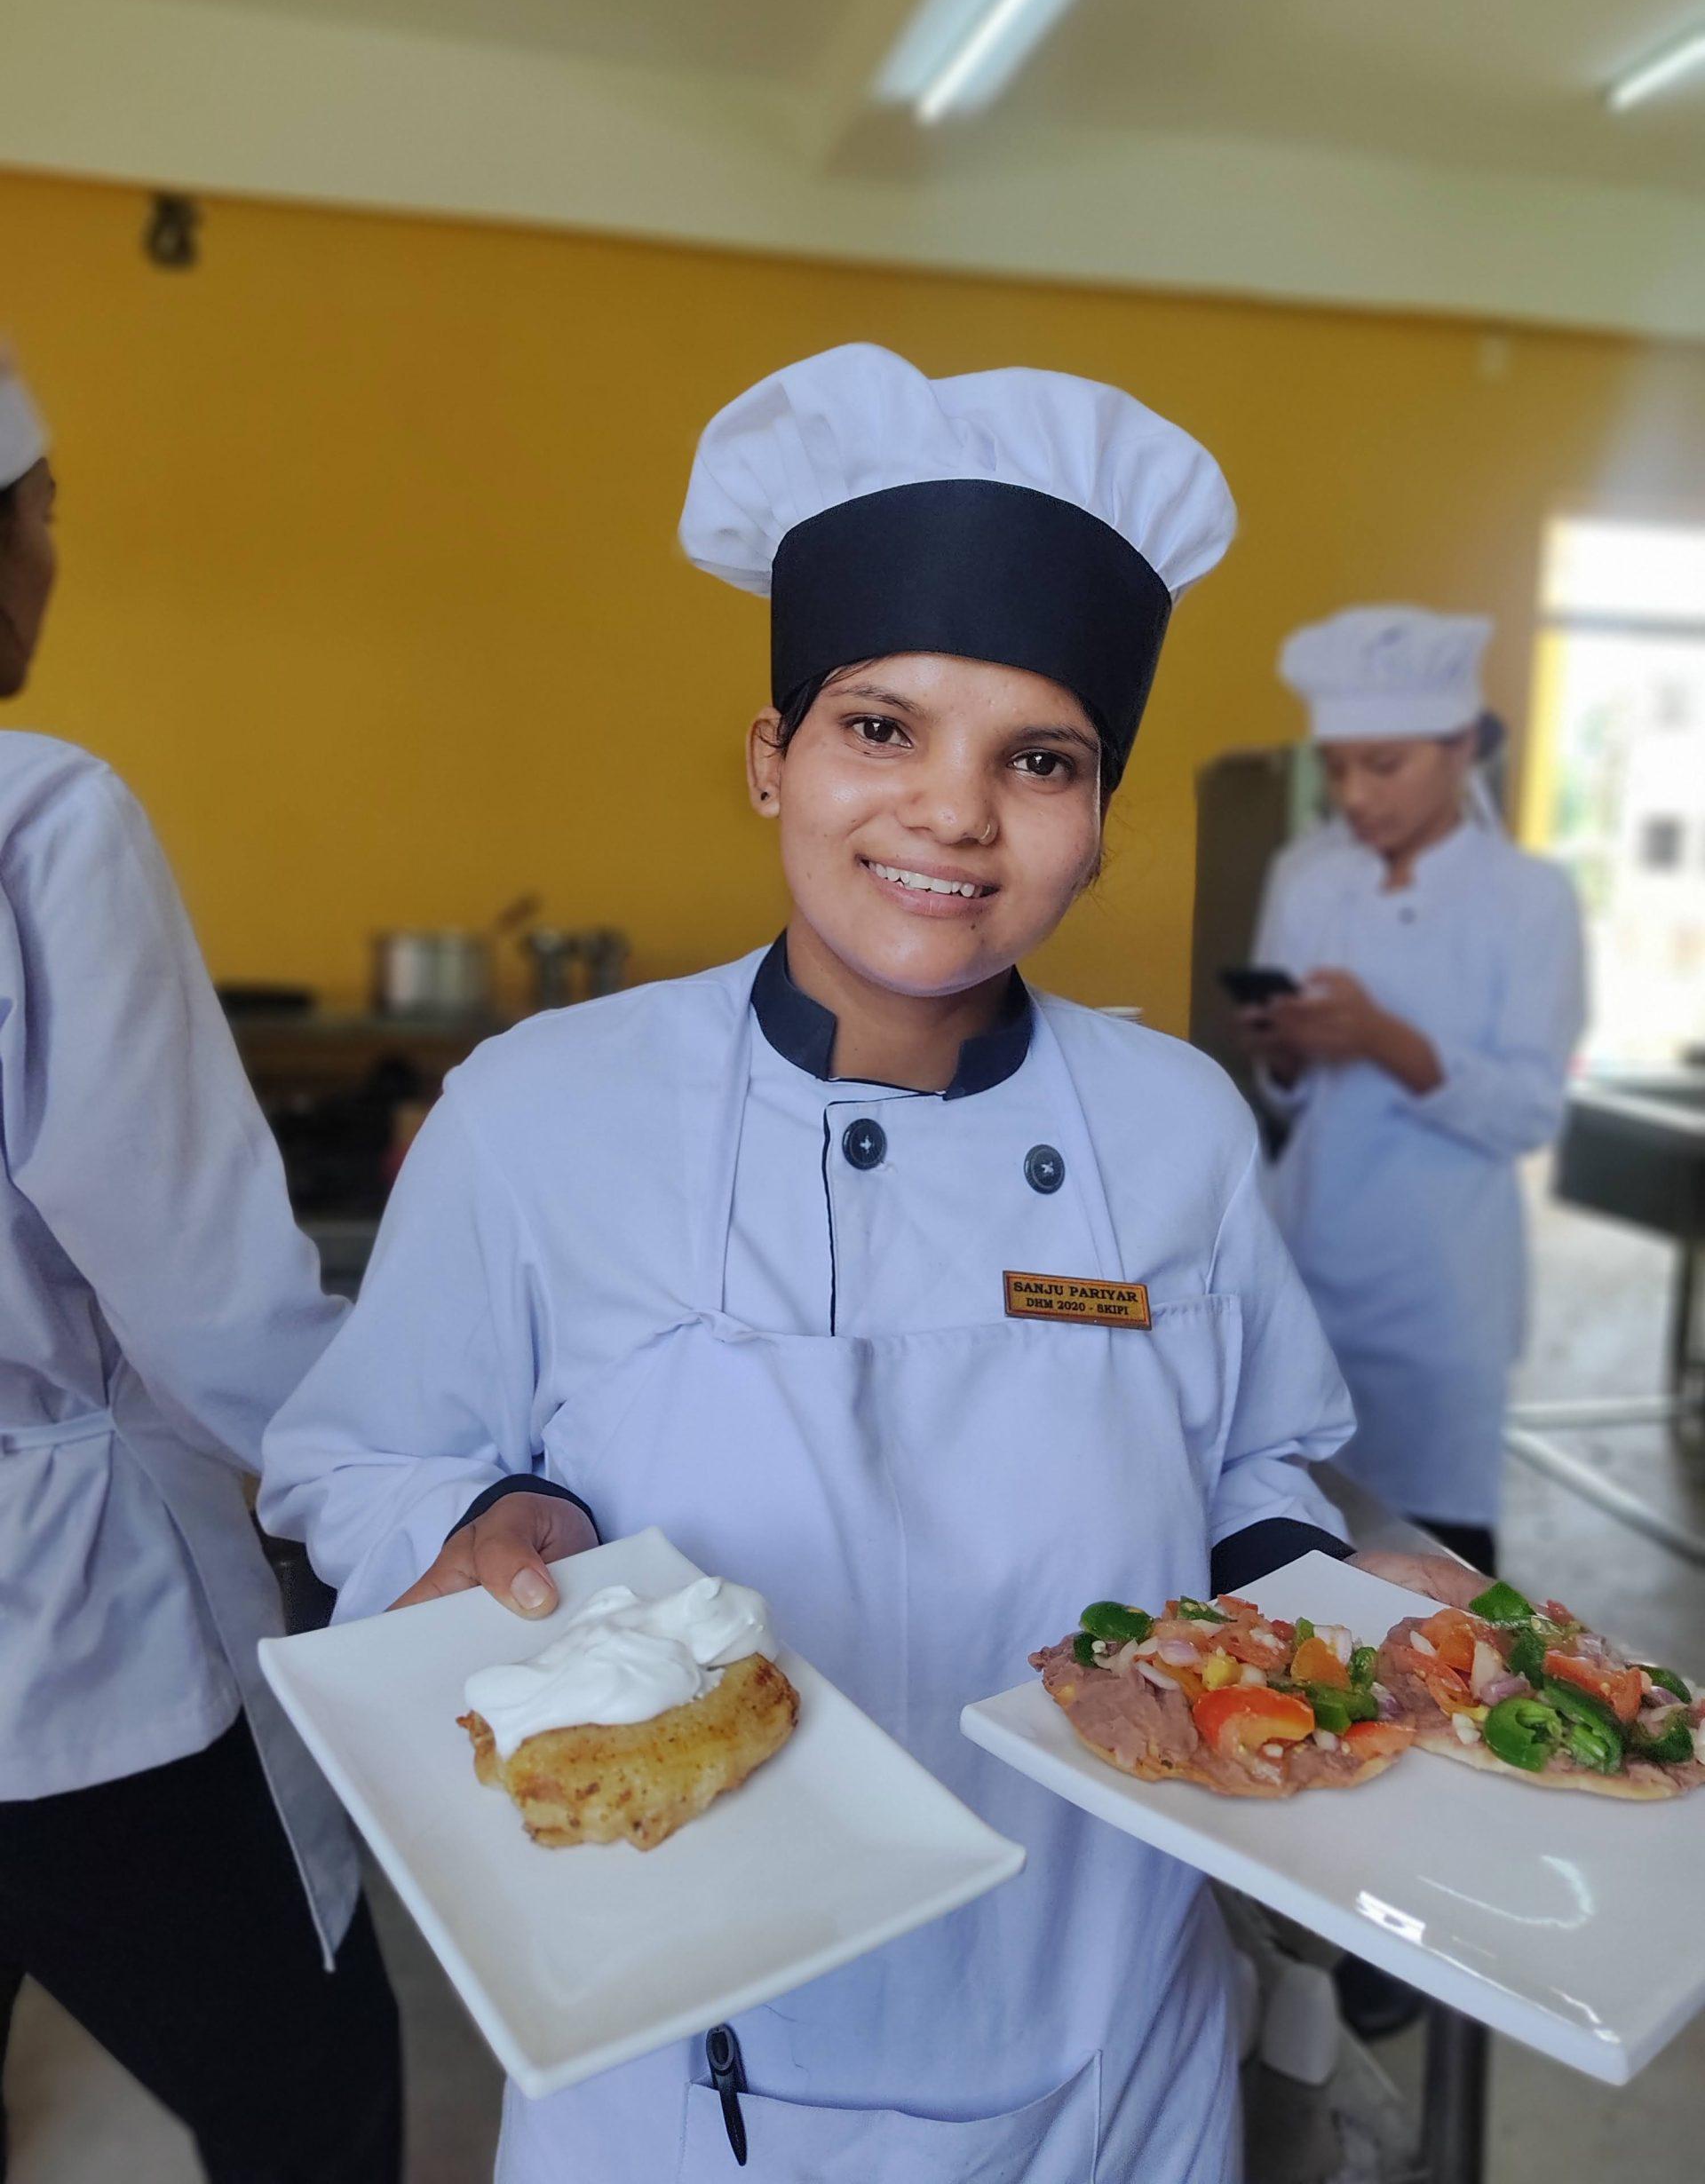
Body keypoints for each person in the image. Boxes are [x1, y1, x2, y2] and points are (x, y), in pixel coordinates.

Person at [261, 344, 1472, 2184]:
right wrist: (491, 1517)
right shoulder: (544, 1108)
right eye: (879, 726)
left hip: (1111, 2037)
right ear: (773, 758)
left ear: (1098, 809)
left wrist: (1334, 1599)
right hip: (678, 2058)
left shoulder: (1176, 1124)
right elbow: (356, 1458)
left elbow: (1249, 1470)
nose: (954, 811)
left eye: (1040, 757)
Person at [0, 355, 402, 2182]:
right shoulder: (40, 814)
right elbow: (203, 1290)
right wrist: (433, 1484)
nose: (57, 551)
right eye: (48, 505)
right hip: (70, 1640)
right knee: (311, 2085)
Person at [1242, 606, 1586, 1576]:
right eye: (1339, 765)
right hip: (1308, 1249)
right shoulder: (1306, 876)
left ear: (1463, 746)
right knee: (1304, 1527)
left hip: (1440, 1285)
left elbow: (1525, 1109)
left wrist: (1388, 1040)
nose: (1354, 794)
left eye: (1383, 765)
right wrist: (1291, 1049)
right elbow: (1292, 1093)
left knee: (1438, 1555)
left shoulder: (1528, 899)